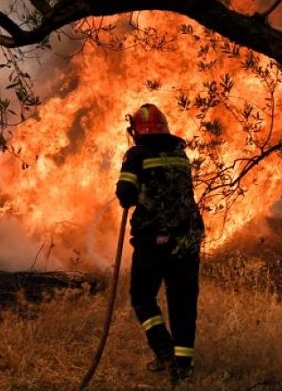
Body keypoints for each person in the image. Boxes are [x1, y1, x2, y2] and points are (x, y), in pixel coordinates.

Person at [115, 103, 205, 386]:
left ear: (137, 131)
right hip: (187, 240)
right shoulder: (181, 154)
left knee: (142, 296)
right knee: (183, 303)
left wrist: (129, 189)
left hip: (154, 241)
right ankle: (183, 367)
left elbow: (126, 195)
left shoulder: (136, 154)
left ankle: (164, 351)